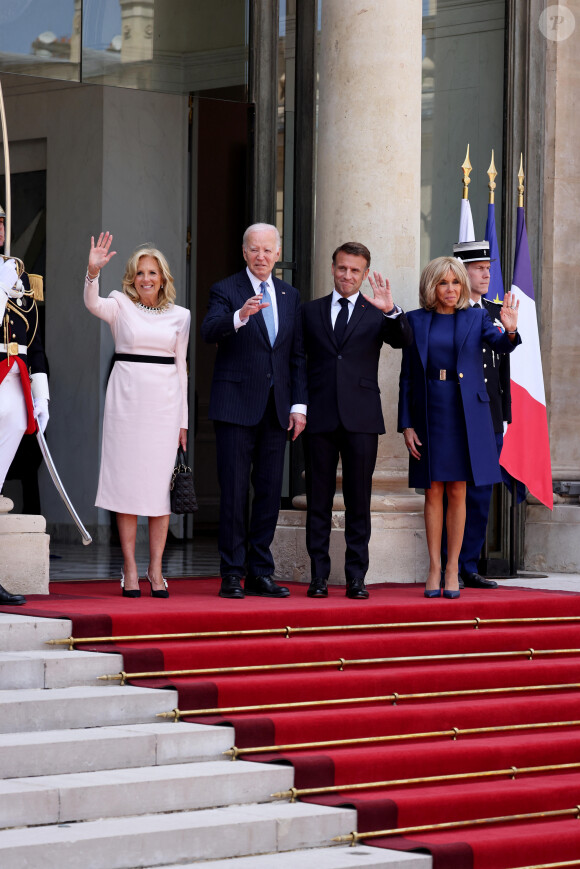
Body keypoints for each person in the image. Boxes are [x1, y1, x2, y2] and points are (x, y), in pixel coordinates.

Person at [398, 256, 521, 598]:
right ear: (431, 287)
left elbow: (501, 346)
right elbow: (407, 377)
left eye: (455, 283)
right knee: (433, 489)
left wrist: (509, 329)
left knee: (458, 490)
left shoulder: (478, 317)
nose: (450, 289)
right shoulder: (415, 321)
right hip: (430, 410)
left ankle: (453, 567)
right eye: (443, 283)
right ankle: (434, 567)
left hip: (467, 412)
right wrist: (406, 424)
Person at [201, 223, 307, 599]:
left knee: (267, 491)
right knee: (232, 491)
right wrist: (240, 316)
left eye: (268, 250)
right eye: (254, 250)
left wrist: (299, 406)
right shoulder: (225, 289)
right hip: (235, 406)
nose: (261, 256)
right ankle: (231, 572)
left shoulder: (290, 295)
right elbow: (209, 330)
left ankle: (260, 571)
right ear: (244, 253)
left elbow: (295, 355)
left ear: (278, 253)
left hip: (277, 408)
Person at [301, 242, 412, 600]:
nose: (347, 276)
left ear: (365, 274)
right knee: (318, 499)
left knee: (358, 500)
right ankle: (318, 576)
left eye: (355, 271)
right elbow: (300, 361)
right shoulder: (311, 311)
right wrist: (299, 407)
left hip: (362, 418)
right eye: (342, 268)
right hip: (318, 416)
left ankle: (355, 577)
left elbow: (404, 340)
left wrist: (392, 310)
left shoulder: (377, 311)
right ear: (332, 268)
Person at [84, 232, 190, 599]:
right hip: (126, 404)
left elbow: (182, 369)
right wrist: (92, 272)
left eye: (153, 273)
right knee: (127, 488)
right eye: (140, 273)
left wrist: (183, 421)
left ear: (163, 279)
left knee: (160, 491)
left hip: (164, 406)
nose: (147, 278)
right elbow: (91, 302)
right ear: (132, 277)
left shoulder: (181, 316)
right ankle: (129, 567)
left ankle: (156, 568)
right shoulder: (118, 305)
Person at [446, 240, 513, 589]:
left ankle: (469, 564)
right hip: (456, 414)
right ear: (461, 270)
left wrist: (506, 415)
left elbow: (502, 368)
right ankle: (449, 564)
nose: (487, 273)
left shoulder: (496, 310)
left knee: (482, 491)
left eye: (488, 267)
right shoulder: (449, 312)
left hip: (488, 414)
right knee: (453, 489)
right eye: (478, 268)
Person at [0, 203, 49, 605]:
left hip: (16, 380)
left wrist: (41, 386)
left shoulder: (21, 275)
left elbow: (35, 339)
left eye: (1, 223)